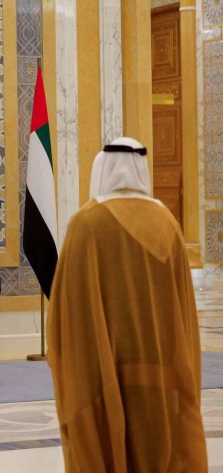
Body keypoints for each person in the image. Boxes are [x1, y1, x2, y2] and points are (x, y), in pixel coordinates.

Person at [47, 137, 207, 471]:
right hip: (161, 379)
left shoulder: (86, 224)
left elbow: (65, 313)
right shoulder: (167, 223)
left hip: (101, 378)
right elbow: (184, 314)